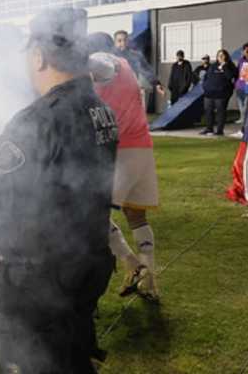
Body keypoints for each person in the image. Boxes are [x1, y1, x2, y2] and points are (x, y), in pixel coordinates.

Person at [0, 8, 118, 373]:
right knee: (74, 355)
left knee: (40, 362)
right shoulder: (100, 107)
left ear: (38, 57)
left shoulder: (39, 119)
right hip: (87, 261)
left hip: (40, 278)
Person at [88, 33, 162, 302]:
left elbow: (96, 63)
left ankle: (132, 264)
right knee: (136, 215)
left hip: (122, 150)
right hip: (142, 147)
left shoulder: (103, 63)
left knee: (92, 213)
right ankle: (150, 280)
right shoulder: (126, 65)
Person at [200, 48, 237, 136]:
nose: (220, 57)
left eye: (222, 55)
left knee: (220, 112)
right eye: (218, 55)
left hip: (221, 94)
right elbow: (206, 77)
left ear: (226, 57)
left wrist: (224, 66)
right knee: (208, 111)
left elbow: (230, 77)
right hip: (209, 93)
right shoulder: (212, 66)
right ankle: (209, 129)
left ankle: (219, 130)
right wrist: (205, 87)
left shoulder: (230, 66)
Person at [234, 43, 248, 124]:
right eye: (246, 50)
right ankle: (242, 118)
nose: (247, 52)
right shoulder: (241, 60)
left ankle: (245, 120)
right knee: (240, 104)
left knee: (246, 105)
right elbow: (238, 72)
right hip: (239, 85)